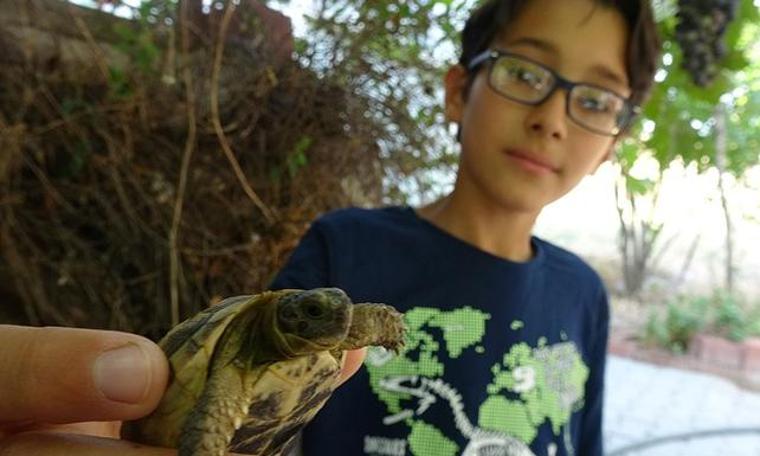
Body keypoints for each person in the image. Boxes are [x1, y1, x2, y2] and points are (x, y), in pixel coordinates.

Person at [269, 0, 661, 455]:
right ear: (458, 92)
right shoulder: (345, 249)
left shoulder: (583, 295)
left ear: (611, 145)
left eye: (595, 101)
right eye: (525, 74)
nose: (551, 121)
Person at [0, 324, 365, 455]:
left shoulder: (334, 339)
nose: (338, 321)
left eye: (342, 317)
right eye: (315, 312)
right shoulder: (235, 363)